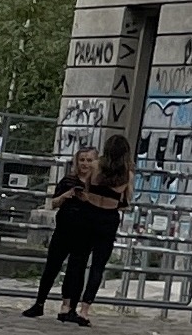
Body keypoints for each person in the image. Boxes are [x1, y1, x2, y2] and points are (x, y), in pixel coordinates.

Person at [23, 146, 98, 321]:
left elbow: (101, 206)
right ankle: (39, 303)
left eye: (89, 160)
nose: (85, 164)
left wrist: (87, 198)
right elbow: (53, 203)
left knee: (76, 270)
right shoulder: (68, 180)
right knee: (52, 266)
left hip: (85, 232)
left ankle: (69, 307)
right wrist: (66, 195)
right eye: (82, 160)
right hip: (64, 229)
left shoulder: (97, 184)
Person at [68, 135, 135, 321]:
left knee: (79, 260)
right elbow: (126, 201)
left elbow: (86, 188)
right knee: (98, 266)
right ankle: (85, 309)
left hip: (89, 213)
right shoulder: (127, 174)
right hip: (108, 218)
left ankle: (70, 304)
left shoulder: (96, 166)